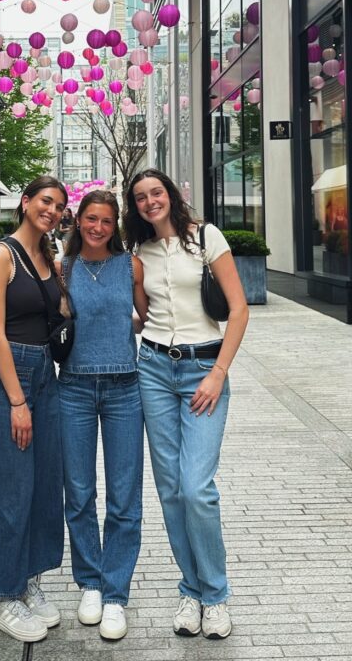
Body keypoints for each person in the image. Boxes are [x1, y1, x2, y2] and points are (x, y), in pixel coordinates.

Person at [124, 169, 249, 641]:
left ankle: (216, 595)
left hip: (203, 370)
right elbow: (142, 318)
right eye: (140, 198)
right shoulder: (141, 253)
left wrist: (218, 373)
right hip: (153, 369)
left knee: (197, 487)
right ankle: (190, 590)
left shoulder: (206, 238)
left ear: (170, 195)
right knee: (172, 488)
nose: (150, 202)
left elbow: (238, 309)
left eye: (156, 193)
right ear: (134, 207)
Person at [0, 175, 68, 643]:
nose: (51, 210)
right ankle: (0, 596)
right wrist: (17, 401)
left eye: (58, 206)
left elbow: (62, 313)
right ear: (25, 202)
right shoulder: (0, 255)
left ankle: (26, 579)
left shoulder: (48, 257)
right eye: (44, 201)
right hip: (7, 374)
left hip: (44, 372)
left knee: (41, 484)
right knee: (5, 485)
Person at [57, 191, 148, 641]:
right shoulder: (64, 268)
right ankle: (89, 582)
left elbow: (149, 319)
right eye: (91, 219)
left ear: (117, 225)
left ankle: (116, 594)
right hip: (71, 388)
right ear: (79, 221)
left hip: (125, 389)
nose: (98, 227)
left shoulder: (132, 266)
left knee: (125, 498)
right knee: (77, 493)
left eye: (107, 221)